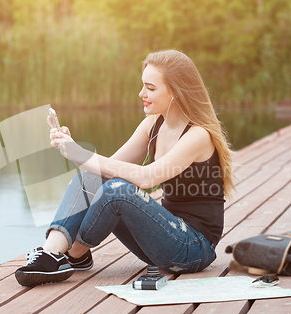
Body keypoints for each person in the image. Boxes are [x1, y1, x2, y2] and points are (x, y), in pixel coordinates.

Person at [15, 49, 235, 287]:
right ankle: (52, 253)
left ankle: (74, 252)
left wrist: (82, 153)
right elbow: (105, 171)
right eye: (143, 86)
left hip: (193, 248)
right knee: (90, 180)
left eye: (151, 88)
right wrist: (72, 148)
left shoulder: (198, 135)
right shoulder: (153, 123)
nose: (142, 93)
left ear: (176, 92)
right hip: (160, 240)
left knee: (117, 191)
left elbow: (147, 177)